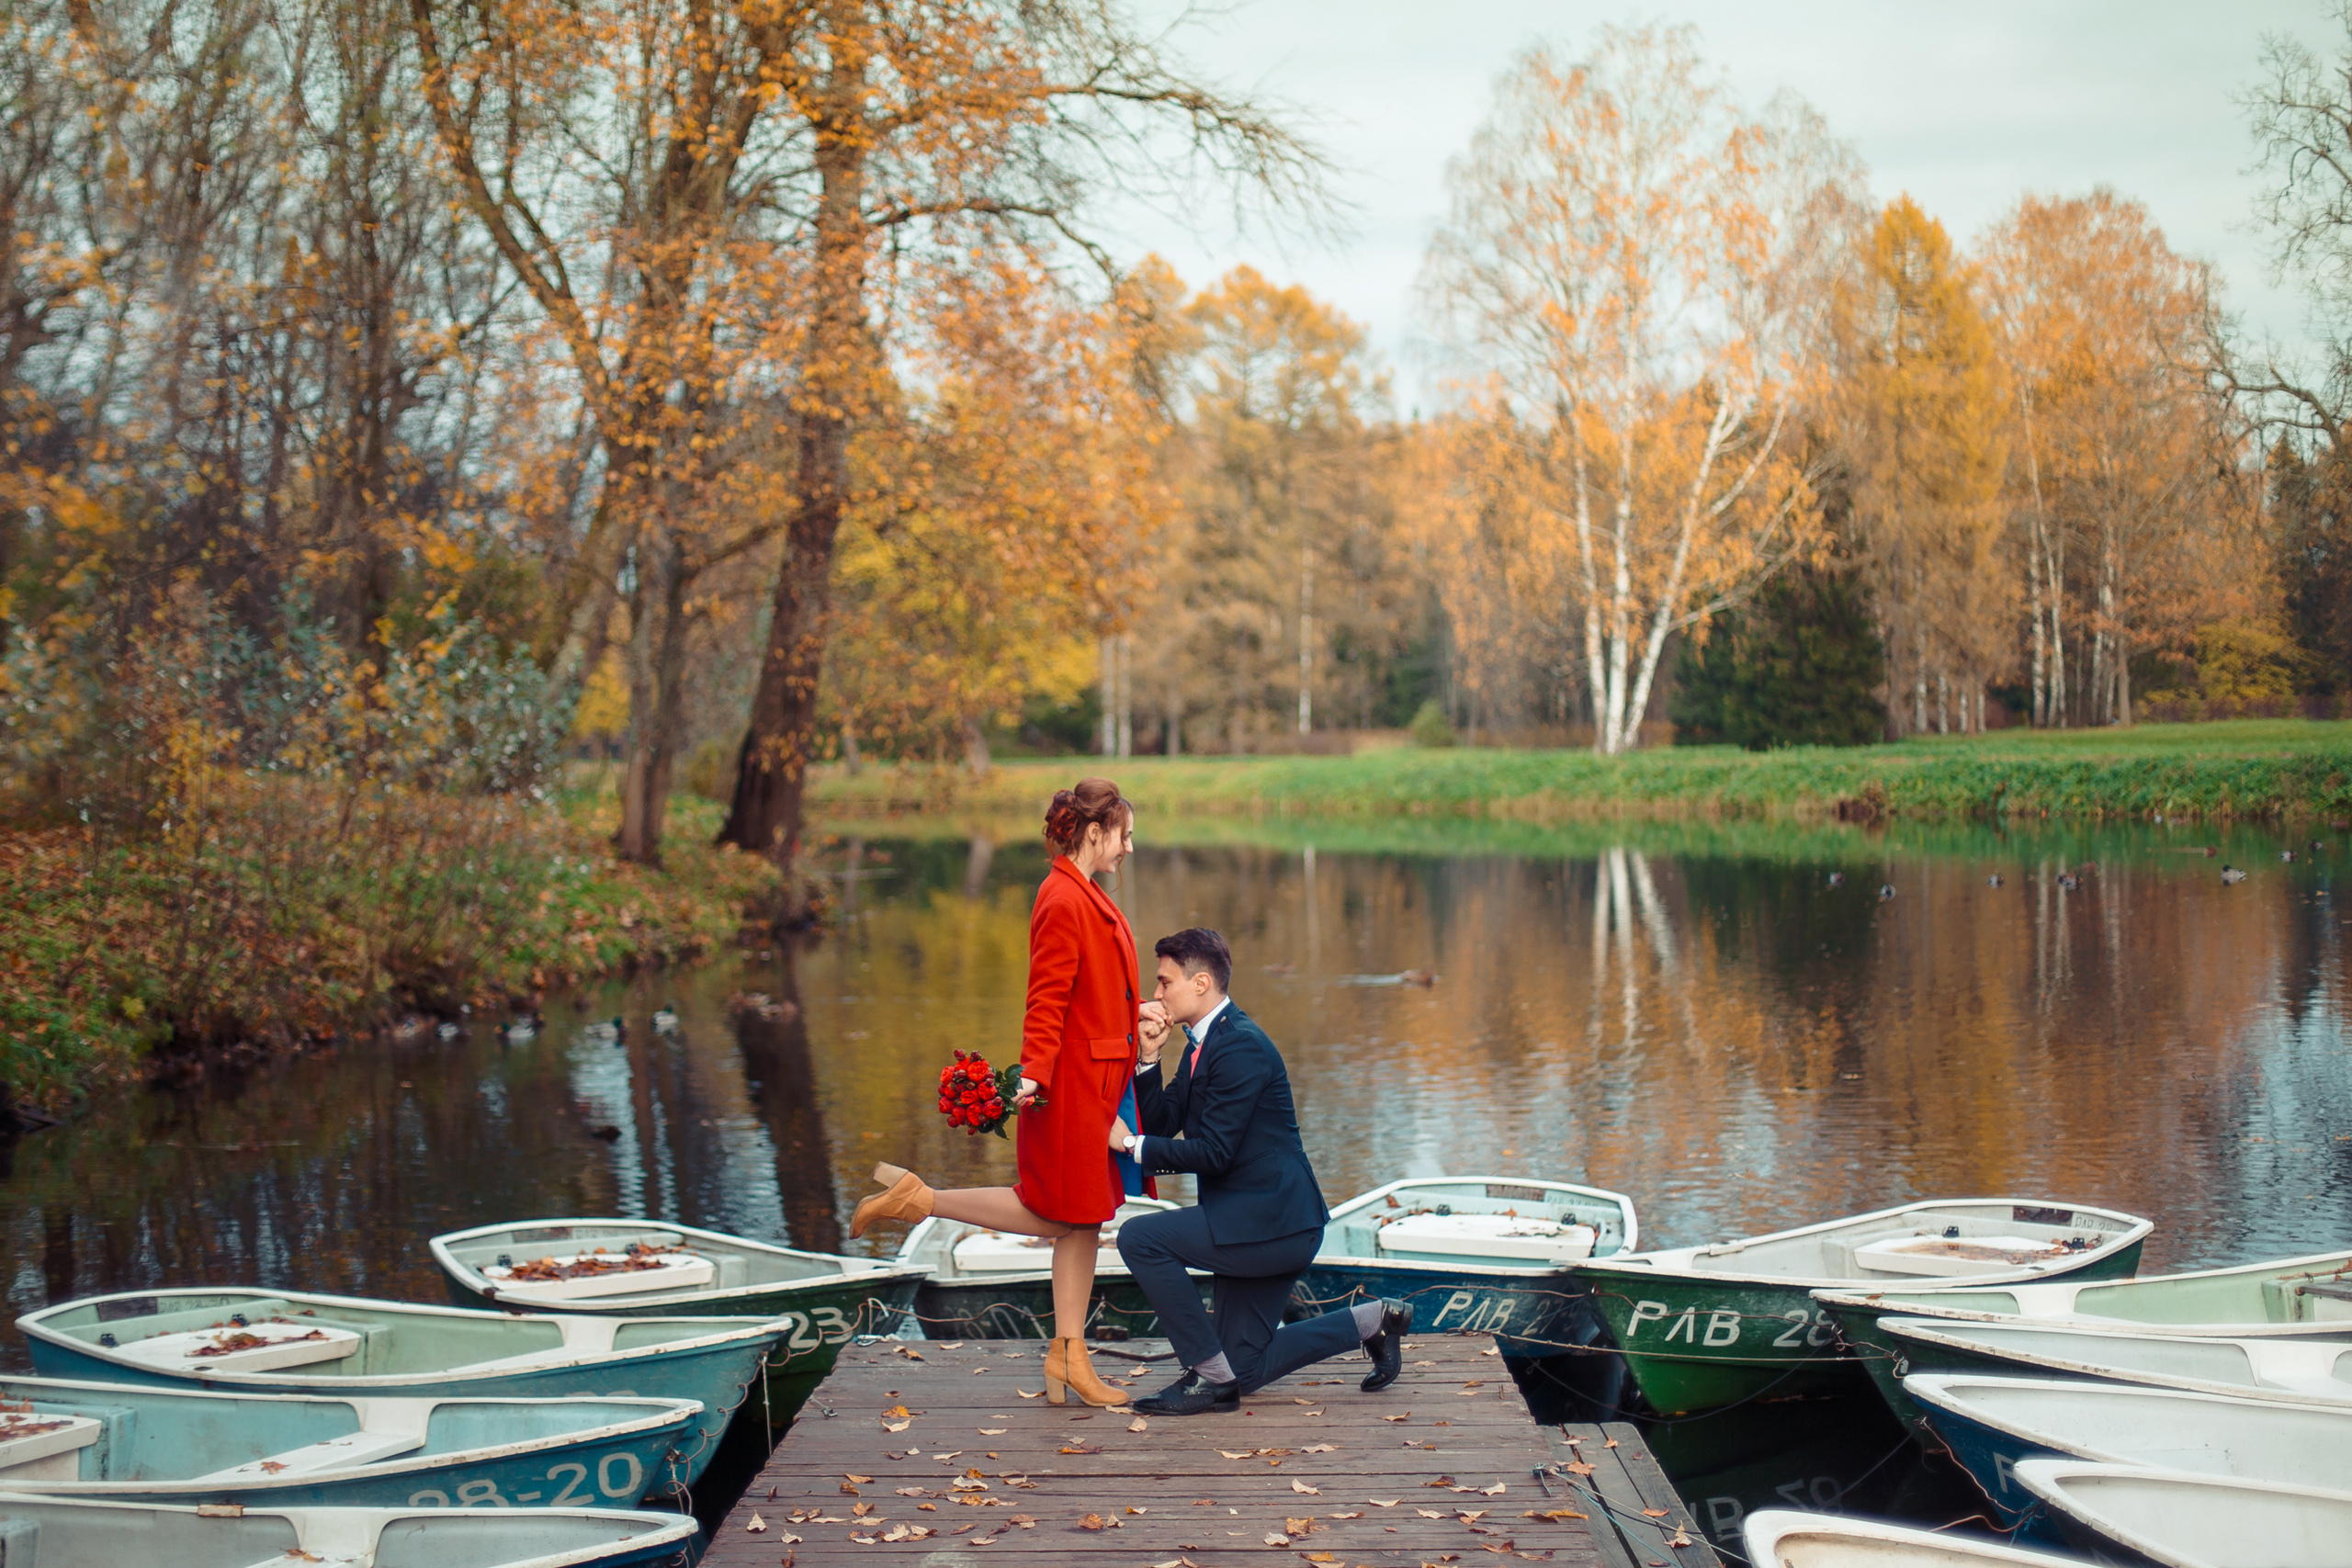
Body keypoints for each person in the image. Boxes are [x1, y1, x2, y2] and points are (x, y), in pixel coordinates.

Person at [847, 778, 1146, 1409]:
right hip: (1068, 1087)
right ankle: (920, 1198)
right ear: (1094, 833)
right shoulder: (1061, 897)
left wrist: (1137, 1016)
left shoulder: (1084, 891)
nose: (1128, 846)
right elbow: (1048, 995)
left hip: (1098, 1078)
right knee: (1056, 1210)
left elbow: (1093, 992)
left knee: (1082, 1217)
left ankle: (1069, 1357)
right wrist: (1035, 1073)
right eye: (1123, 834)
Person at [1112, 928, 1412, 1415]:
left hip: (1273, 1225)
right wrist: (1148, 1058)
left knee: (1141, 1240)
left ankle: (1205, 1376)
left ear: (1202, 982)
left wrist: (1128, 1144)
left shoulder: (1240, 1047)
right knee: (1242, 1371)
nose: (1157, 994)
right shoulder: (1201, 1045)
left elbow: (1213, 1154)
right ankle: (1373, 1321)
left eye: (1165, 983)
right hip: (1248, 1223)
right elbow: (1166, 1122)